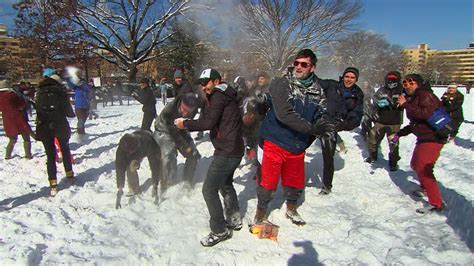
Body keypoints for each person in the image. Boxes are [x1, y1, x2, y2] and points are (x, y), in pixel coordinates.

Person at [252, 49, 335, 227]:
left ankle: (291, 207)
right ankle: (260, 212)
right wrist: (313, 129)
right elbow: (284, 114)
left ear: (312, 68)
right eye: (296, 63)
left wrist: (324, 124)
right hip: (276, 139)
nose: (298, 67)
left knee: (295, 181)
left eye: (303, 64)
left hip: (298, 144)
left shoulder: (317, 90)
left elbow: (322, 111)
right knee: (268, 181)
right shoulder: (282, 84)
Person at [175, 68, 244, 247]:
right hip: (233, 149)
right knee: (225, 183)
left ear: (216, 80)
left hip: (226, 152)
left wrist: (185, 124)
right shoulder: (225, 94)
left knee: (208, 190)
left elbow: (207, 122)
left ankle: (219, 230)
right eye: (201, 83)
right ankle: (234, 218)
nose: (203, 86)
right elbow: (211, 116)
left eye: (206, 82)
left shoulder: (219, 96)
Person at [391, 74, 447, 214]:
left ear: (419, 84)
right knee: (416, 164)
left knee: (424, 168)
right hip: (424, 137)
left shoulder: (425, 94)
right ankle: (425, 188)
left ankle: (436, 203)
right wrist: (399, 134)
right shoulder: (416, 97)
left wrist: (405, 105)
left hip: (433, 137)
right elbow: (415, 123)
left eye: (411, 83)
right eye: (405, 84)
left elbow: (425, 114)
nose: (408, 86)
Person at [318, 67, 364, 195]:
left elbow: (357, 115)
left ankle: (327, 185)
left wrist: (342, 125)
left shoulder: (357, 94)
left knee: (328, 156)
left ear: (356, 79)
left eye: (352, 77)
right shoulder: (332, 85)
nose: (349, 79)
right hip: (318, 120)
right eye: (347, 76)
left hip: (333, 126)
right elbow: (317, 82)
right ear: (343, 77)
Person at [35, 70, 75, 196]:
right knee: (65, 149)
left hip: (44, 126)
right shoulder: (60, 92)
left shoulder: (39, 92)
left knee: (50, 155)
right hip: (60, 124)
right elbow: (69, 111)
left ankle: (53, 183)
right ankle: (69, 174)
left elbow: (37, 109)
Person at [153, 93, 201, 190]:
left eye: (189, 111)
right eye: (184, 110)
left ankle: (187, 180)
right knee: (168, 156)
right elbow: (173, 132)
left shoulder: (193, 109)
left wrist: (188, 145)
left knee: (193, 154)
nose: (185, 114)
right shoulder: (169, 110)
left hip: (181, 128)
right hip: (164, 131)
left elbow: (185, 126)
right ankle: (168, 183)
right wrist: (183, 145)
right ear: (181, 104)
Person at [365, 71, 404, 171]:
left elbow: (407, 102)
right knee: (373, 138)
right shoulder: (382, 90)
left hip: (395, 122)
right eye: (389, 79)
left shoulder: (401, 90)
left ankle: (393, 162)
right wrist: (377, 104)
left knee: (393, 143)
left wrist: (392, 103)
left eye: (393, 79)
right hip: (380, 120)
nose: (390, 81)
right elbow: (375, 100)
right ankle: (373, 156)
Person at [115, 130, 163, 208]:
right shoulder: (122, 148)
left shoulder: (148, 142)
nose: (130, 153)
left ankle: (163, 181)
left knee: (159, 165)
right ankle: (134, 188)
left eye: (131, 151)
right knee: (130, 166)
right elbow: (120, 166)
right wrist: (120, 187)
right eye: (128, 152)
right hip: (136, 152)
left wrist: (155, 183)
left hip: (151, 144)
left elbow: (154, 163)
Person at [0, 79, 33, 160]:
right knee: (26, 137)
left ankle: (8, 155)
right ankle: (28, 155)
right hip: (18, 117)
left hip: (7, 119)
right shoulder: (11, 94)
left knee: (12, 139)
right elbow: (21, 103)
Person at [66, 66, 90, 135]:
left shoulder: (83, 82)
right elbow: (71, 85)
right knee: (81, 119)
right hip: (79, 105)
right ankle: (80, 132)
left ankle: (80, 130)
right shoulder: (75, 83)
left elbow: (88, 90)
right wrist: (68, 78)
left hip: (86, 104)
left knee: (84, 119)